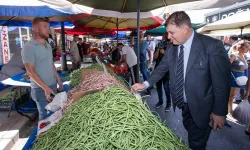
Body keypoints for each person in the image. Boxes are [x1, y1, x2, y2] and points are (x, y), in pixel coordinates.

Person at [132, 11, 231, 149]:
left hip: (203, 108)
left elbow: (222, 82)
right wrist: (145, 84)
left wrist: (220, 112)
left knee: (196, 144)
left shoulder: (211, 46)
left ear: (185, 29)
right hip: (184, 106)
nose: (168, 37)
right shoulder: (173, 47)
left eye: (172, 33)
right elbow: (161, 69)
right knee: (192, 136)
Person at [21, 17, 63, 120]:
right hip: (40, 89)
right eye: (44, 26)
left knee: (54, 115)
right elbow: (30, 71)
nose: (48, 29)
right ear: (36, 29)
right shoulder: (28, 47)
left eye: (48, 27)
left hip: (52, 85)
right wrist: (45, 88)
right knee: (45, 118)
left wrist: (58, 79)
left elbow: (50, 63)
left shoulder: (47, 44)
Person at [228, 40, 250, 115]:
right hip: (234, 78)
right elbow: (227, 66)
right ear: (241, 47)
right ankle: (230, 112)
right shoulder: (234, 55)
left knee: (233, 96)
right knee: (231, 96)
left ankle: (230, 111)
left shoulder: (244, 56)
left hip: (241, 78)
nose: (248, 48)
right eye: (247, 46)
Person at [154, 34, 171, 111]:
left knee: (166, 88)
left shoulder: (171, 46)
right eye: (163, 36)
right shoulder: (159, 45)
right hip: (158, 69)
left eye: (165, 36)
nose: (164, 38)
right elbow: (155, 57)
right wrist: (158, 49)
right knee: (158, 87)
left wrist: (164, 52)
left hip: (166, 71)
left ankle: (168, 104)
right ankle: (160, 102)